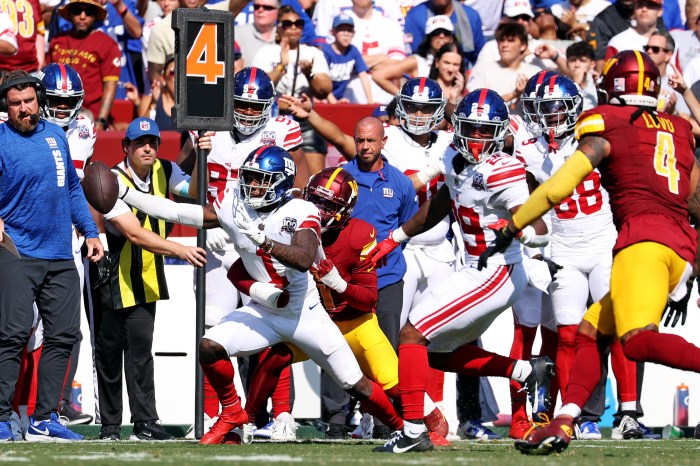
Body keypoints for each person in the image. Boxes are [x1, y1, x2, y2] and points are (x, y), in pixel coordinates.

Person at [479, 50, 698, 455]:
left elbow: (558, 188)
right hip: (675, 245)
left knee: (633, 341)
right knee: (585, 333)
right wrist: (690, 267)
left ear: (613, 85)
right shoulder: (680, 128)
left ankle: (623, 412)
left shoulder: (605, 123)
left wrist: (513, 226)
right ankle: (567, 418)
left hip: (633, 243)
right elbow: (693, 198)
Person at [115, 145, 406, 446]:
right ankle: (231, 413)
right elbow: (178, 211)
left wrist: (265, 243)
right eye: (250, 177)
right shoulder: (235, 204)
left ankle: (403, 429)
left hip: (303, 312)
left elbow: (305, 257)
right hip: (265, 310)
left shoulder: (301, 209)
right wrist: (126, 195)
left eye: (262, 179)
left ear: (281, 182)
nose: (253, 185)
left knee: (354, 383)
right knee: (210, 346)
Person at [368, 88, 554, 454]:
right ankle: (522, 371)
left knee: (411, 335)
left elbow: (540, 230)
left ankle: (411, 432)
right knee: (431, 352)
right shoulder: (454, 154)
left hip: (496, 270)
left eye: (487, 131)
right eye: (471, 128)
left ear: (501, 132)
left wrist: (519, 229)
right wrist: (396, 237)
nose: (478, 138)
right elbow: (442, 200)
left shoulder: (505, 169)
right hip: (473, 267)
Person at [229, 167, 449, 444]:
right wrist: (264, 292)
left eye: (328, 205)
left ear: (344, 210)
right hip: (313, 322)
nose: (319, 211)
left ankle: (433, 423)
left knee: (395, 385)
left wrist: (340, 285)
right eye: (315, 202)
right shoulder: (289, 223)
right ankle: (246, 422)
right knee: (275, 358)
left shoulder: (358, 234)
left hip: (355, 324)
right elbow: (239, 270)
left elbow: (370, 299)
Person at [176, 67, 308, 437]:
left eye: (255, 106)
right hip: (217, 239)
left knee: (274, 326)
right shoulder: (208, 126)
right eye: (242, 105)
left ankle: (281, 415)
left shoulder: (282, 130)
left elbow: (300, 187)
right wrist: (208, 217)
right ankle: (214, 413)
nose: (249, 113)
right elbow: (180, 176)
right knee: (213, 325)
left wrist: (282, 231)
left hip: (261, 238)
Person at [0, 70, 103, 442]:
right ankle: (0, 417)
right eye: (15, 104)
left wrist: (90, 232)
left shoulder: (57, 134)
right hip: (16, 250)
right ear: (6, 108)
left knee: (64, 336)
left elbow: (73, 189)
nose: (24, 109)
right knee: (11, 335)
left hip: (60, 252)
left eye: (28, 101)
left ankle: (45, 418)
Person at [90, 117, 206, 441]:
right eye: (140, 143)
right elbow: (135, 234)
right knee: (110, 352)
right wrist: (180, 250)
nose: (147, 148)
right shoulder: (110, 180)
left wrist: (197, 151)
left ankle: (145, 422)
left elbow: (194, 191)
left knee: (141, 352)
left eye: (152, 142)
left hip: (146, 277)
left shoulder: (166, 170)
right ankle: (110, 426)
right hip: (112, 276)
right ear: (125, 146)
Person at [37, 62, 95, 425]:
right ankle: (16, 405)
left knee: (67, 326)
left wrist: (89, 230)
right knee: (19, 327)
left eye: (67, 101)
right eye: (54, 100)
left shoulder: (83, 130)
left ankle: (56, 402)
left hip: (65, 239)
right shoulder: (15, 127)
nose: (61, 108)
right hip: (21, 237)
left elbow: (77, 188)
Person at [251, 6, 332, 175]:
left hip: (304, 120)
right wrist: (281, 66)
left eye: (299, 23)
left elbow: (324, 90)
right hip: (273, 117)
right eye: (288, 23)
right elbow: (258, 86)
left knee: (313, 177)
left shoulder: (313, 53)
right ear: (279, 27)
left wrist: (309, 74)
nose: (294, 27)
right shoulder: (266, 52)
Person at [48, 0, 121, 129]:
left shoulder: (107, 44)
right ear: (70, 15)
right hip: (56, 113)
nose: (82, 16)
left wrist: (102, 121)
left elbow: (110, 86)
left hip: (89, 117)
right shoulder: (57, 41)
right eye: (77, 11)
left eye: (88, 12)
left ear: (94, 16)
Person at [371, 15, 458, 96]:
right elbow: (378, 76)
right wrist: (404, 98)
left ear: (451, 37)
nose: (441, 36)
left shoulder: (458, 60)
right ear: (428, 37)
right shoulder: (417, 61)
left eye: (446, 32)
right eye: (436, 32)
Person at [321, 14, 372, 104]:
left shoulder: (353, 50)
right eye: (341, 30)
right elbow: (322, 81)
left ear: (354, 33)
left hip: (340, 98)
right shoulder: (325, 51)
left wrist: (370, 102)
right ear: (333, 32)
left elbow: (363, 76)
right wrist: (334, 102)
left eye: (349, 30)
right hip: (323, 96)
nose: (346, 34)